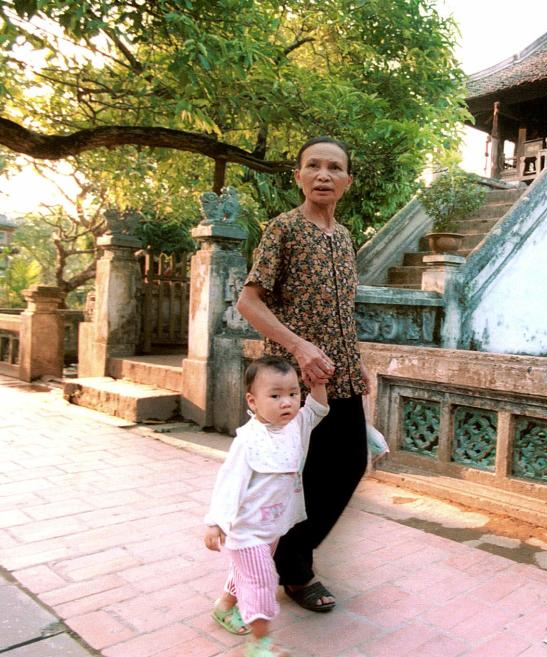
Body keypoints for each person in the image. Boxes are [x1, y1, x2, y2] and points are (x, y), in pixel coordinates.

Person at [236, 136, 370, 613]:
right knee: (296, 479)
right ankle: (295, 570)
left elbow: (343, 311)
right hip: (293, 386)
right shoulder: (283, 229)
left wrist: (359, 363)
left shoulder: (345, 236)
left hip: (343, 379)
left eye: (334, 168)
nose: (323, 175)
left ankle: (290, 557)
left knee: (352, 464)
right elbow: (248, 302)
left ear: (347, 180)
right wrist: (298, 346)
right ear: (298, 176)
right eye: (312, 166)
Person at [203, 356, 329, 657]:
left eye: (293, 393)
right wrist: (216, 521)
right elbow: (228, 482)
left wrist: (320, 384)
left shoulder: (295, 425)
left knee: (246, 573)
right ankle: (259, 644)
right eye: (275, 396)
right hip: (246, 531)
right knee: (261, 581)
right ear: (253, 400)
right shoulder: (249, 441)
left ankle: (224, 607)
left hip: (272, 527)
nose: (286, 402)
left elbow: (318, 408)